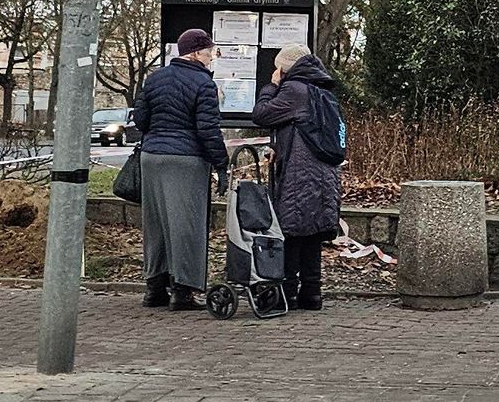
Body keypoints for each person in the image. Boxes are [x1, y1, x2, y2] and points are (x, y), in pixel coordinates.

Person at [131, 28, 229, 311]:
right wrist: (221, 164)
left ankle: (154, 289)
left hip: (151, 157)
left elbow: (141, 119)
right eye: (209, 52)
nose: (212, 57)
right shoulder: (203, 84)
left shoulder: (155, 78)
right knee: (187, 224)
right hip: (186, 159)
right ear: (196, 53)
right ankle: (183, 292)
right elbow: (208, 130)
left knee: (156, 224)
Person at [251, 44, 342, 311]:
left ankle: (286, 292)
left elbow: (262, 114)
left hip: (300, 172)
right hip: (324, 171)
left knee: (291, 231)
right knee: (312, 232)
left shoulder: (294, 90)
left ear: (285, 67)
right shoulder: (321, 89)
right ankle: (312, 293)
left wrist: (271, 86)